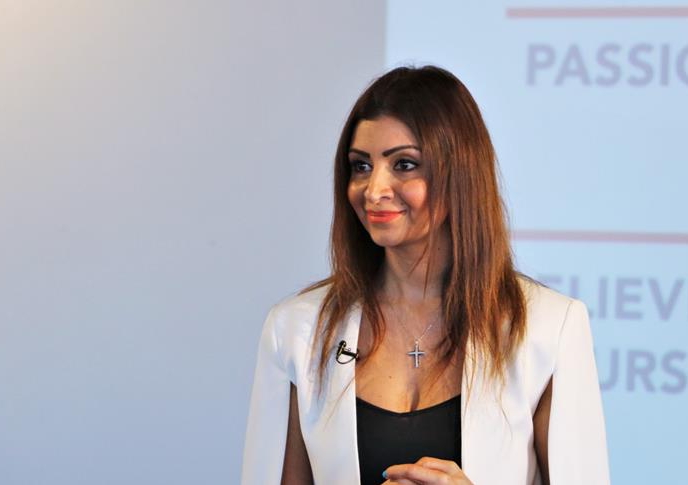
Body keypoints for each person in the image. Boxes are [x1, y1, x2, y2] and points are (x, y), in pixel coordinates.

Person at [240, 65, 610, 485]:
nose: (374, 189)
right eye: (361, 166)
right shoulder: (296, 329)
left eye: (404, 164)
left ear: (460, 173)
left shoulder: (549, 327)